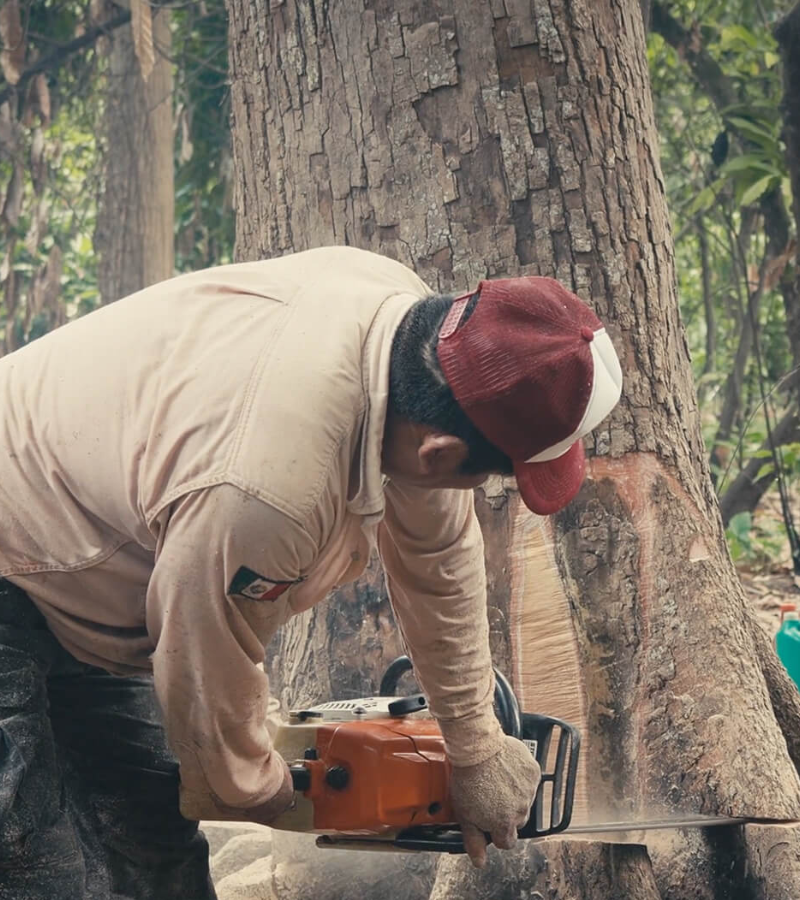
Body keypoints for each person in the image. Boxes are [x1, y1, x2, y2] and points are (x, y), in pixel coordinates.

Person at [0, 246, 622, 898]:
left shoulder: (406, 341)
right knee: (32, 858)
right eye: (488, 476)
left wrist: (473, 746)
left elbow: (439, 561)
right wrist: (265, 790)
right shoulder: (269, 489)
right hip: (23, 553)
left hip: (84, 573)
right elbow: (202, 655)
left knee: (156, 854)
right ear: (439, 453)